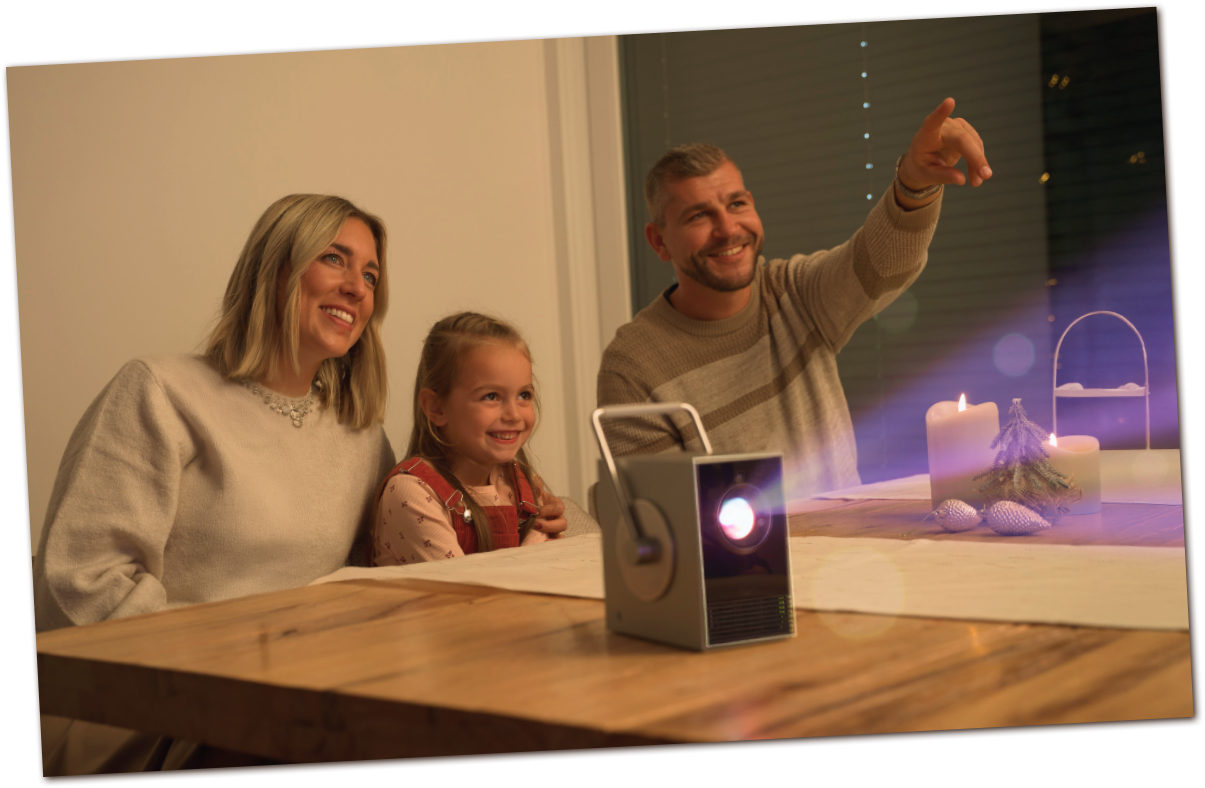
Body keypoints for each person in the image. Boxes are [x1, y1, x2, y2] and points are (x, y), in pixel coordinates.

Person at [34, 194, 397, 775]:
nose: (358, 286)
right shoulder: (159, 389)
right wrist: (236, 668)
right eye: (335, 259)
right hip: (148, 704)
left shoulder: (363, 437)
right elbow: (81, 579)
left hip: (309, 701)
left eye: (371, 274)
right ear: (275, 268)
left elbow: (380, 580)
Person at [596, 98, 992, 501]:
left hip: (849, 551)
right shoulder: (633, 368)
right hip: (743, 565)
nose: (727, 228)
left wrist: (917, 180)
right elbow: (666, 525)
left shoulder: (794, 293)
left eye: (737, 204)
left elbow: (884, 263)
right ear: (658, 241)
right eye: (698, 216)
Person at [372, 312, 567, 565]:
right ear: (436, 408)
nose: (514, 414)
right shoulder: (411, 493)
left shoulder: (521, 483)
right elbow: (468, 594)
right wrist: (537, 543)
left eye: (524, 395)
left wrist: (554, 539)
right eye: (491, 396)